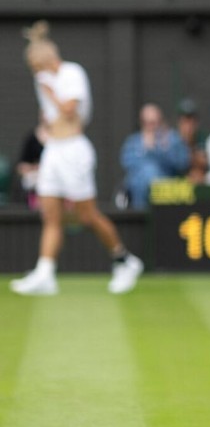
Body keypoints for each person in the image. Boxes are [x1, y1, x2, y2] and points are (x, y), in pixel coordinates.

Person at [10, 22, 143, 296]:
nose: (37, 72)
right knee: (50, 214)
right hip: (54, 152)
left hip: (74, 151)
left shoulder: (71, 73)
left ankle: (124, 260)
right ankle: (45, 272)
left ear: (47, 59)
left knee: (87, 214)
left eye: (38, 66)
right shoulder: (43, 79)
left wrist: (50, 92)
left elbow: (70, 112)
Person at [119, 103, 191, 208]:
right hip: (138, 192)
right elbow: (127, 164)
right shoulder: (133, 142)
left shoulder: (172, 139)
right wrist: (147, 150)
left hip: (166, 190)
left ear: (160, 122)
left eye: (153, 123)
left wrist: (163, 150)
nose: (150, 127)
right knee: (145, 174)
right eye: (146, 123)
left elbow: (183, 163)